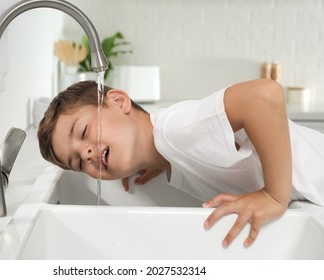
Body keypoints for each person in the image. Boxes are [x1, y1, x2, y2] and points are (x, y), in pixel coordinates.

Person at [38, 78, 324, 247]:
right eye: (78, 162)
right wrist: (157, 161)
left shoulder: (175, 131)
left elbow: (263, 95)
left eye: (84, 132)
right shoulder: (168, 144)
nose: (86, 154)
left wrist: (274, 195)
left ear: (119, 102)